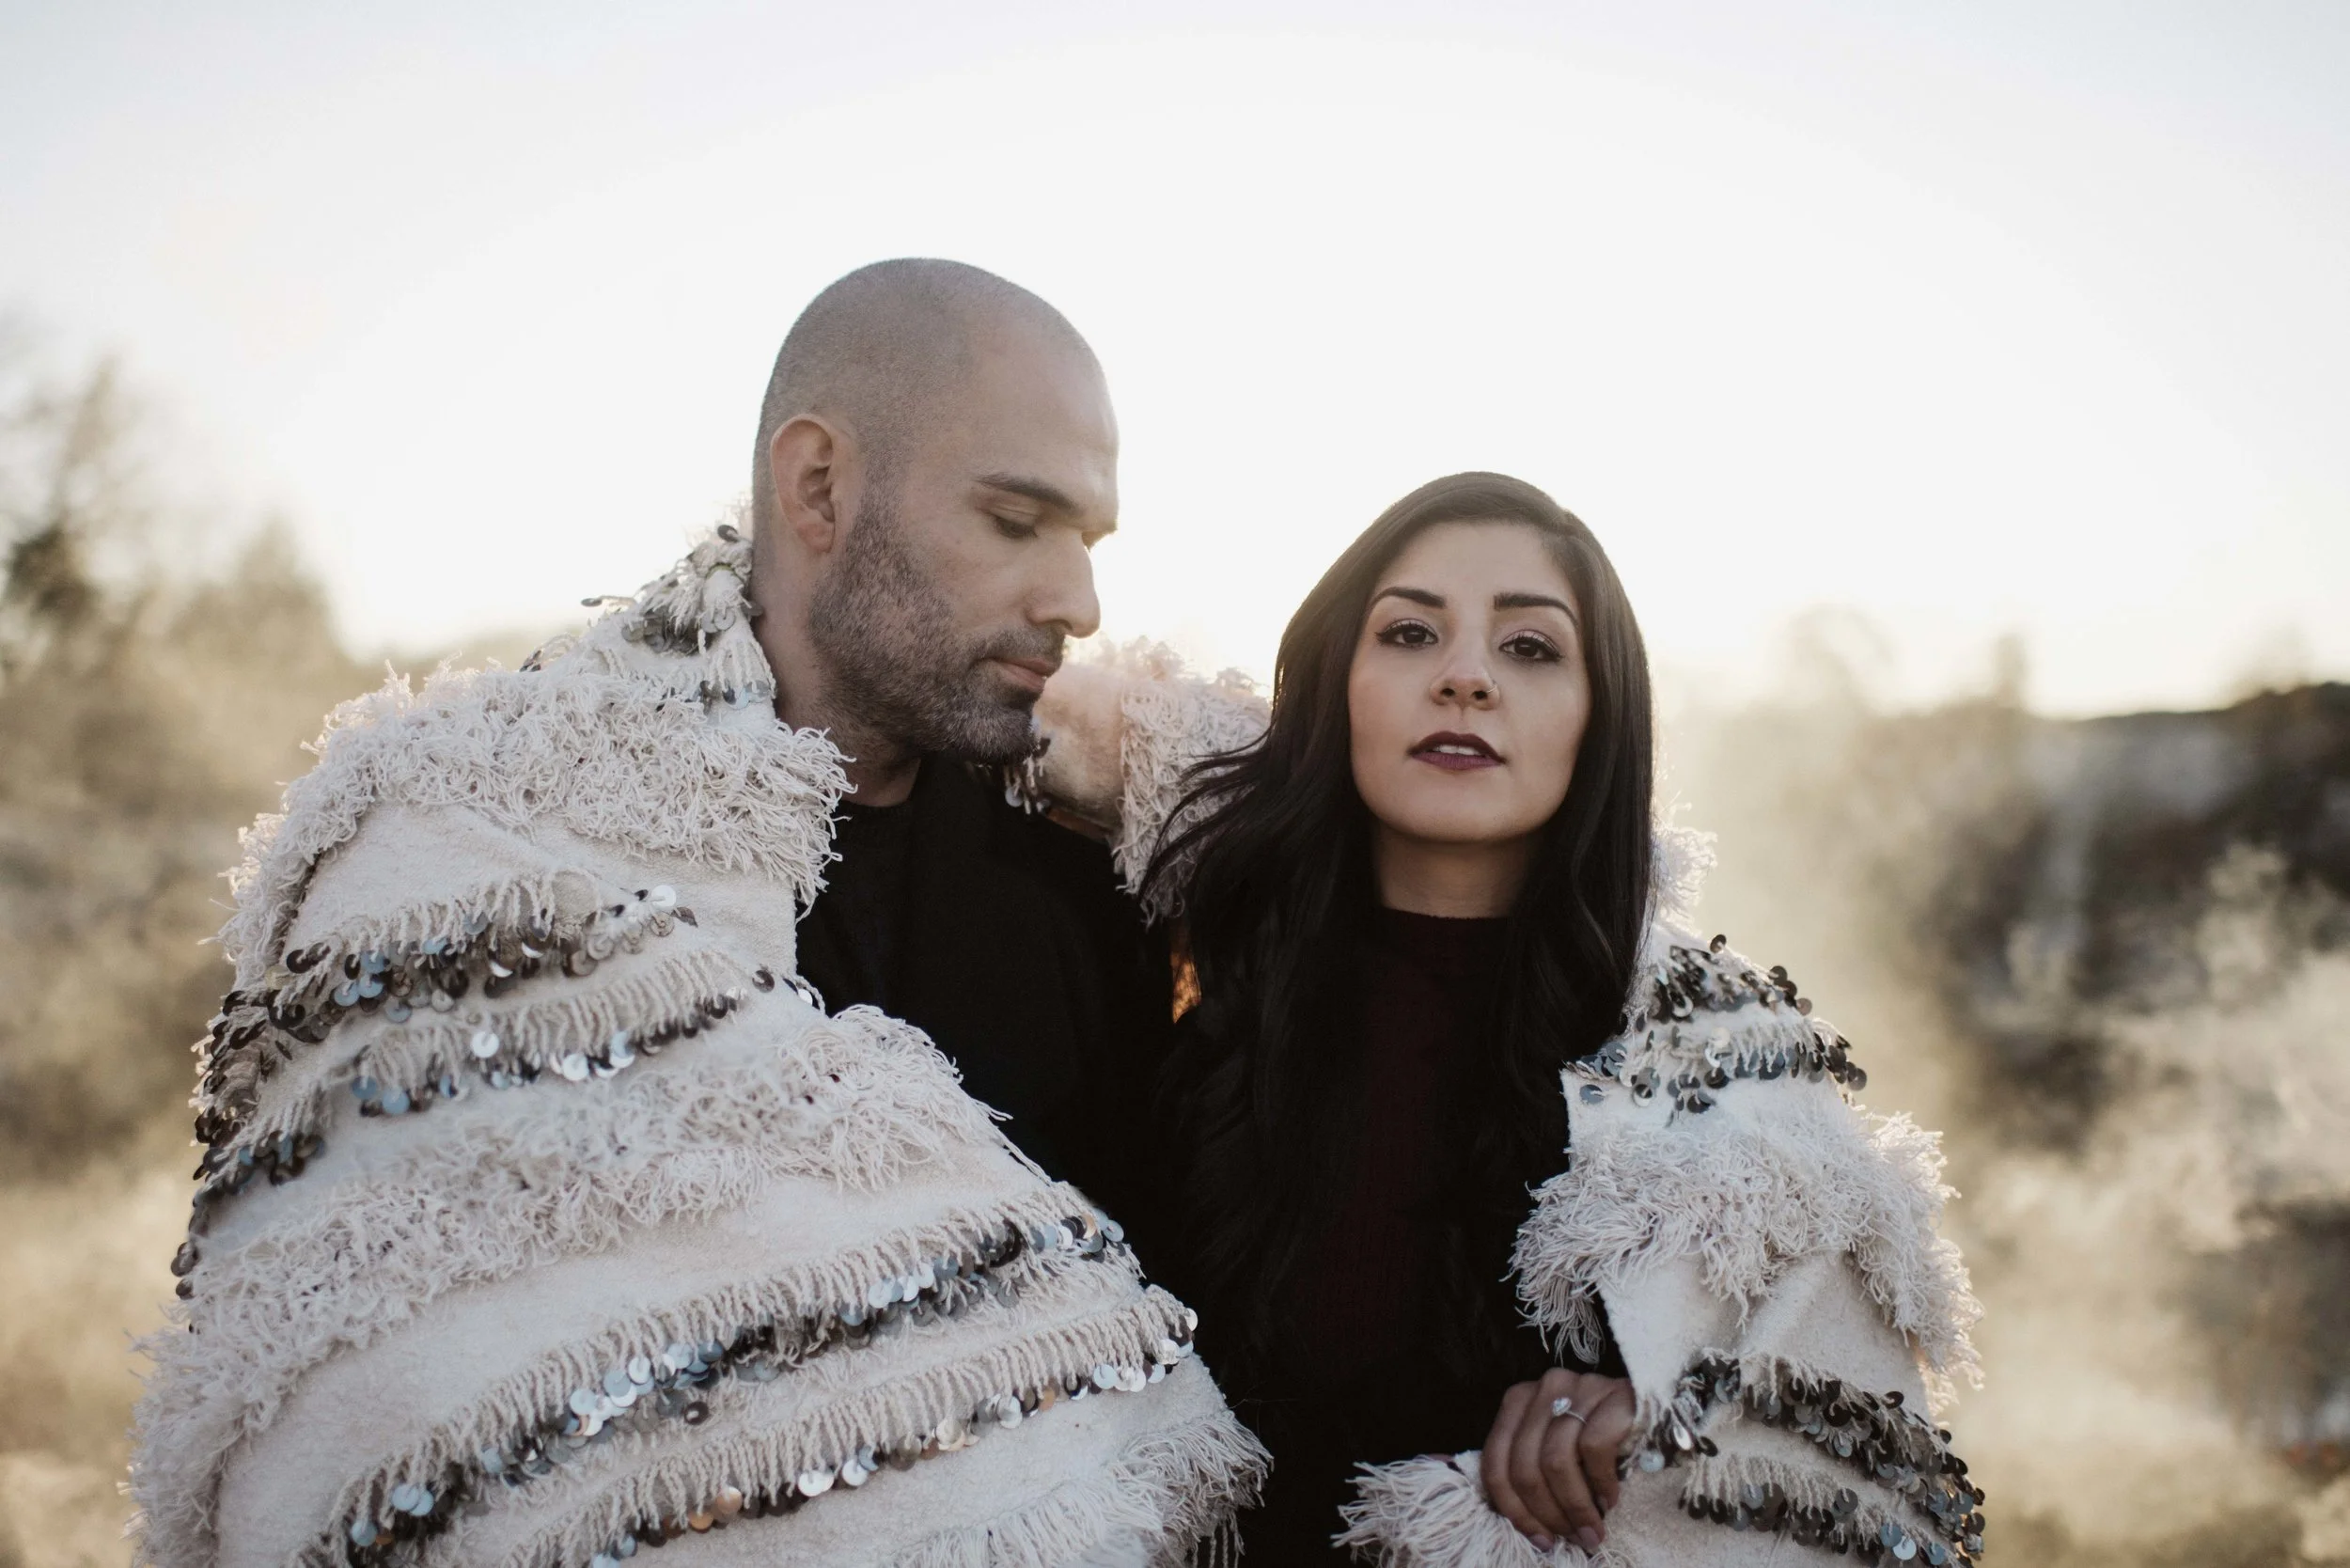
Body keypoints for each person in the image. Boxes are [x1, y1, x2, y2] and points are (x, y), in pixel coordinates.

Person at [130, 260, 1263, 1568]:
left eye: (1090, 543)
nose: (1079, 602)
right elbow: (368, 1389)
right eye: (1018, 521)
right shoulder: (481, 844)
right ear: (819, 486)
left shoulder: (1087, 870)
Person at [1028, 473, 1985, 1565]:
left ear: (1598, 716)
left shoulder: (1711, 1058)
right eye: (1409, 633)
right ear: (1339, 682)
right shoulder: (1175, 980)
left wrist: (1665, 1418)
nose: (1466, 677)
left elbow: (1858, 1450)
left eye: (1530, 648)